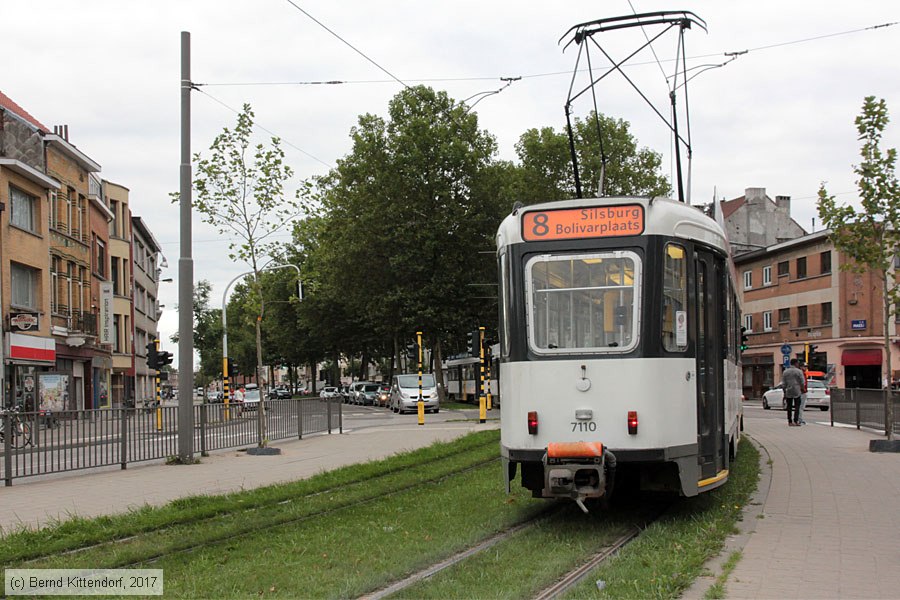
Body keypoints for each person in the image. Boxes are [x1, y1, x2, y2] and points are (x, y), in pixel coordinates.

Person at [781, 358, 805, 426]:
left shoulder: (785, 372)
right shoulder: (799, 371)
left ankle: (790, 421)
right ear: (796, 363)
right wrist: (802, 389)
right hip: (797, 390)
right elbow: (802, 382)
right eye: (797, 363)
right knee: (797, 406)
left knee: (789, 407)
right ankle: (796, 420)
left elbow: (783, 383)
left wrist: (784, 391)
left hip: (788, 390)